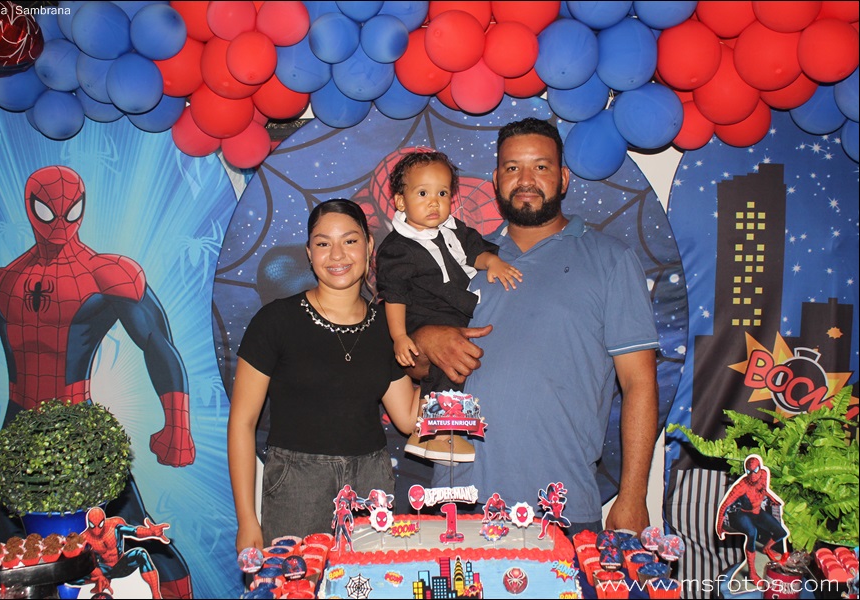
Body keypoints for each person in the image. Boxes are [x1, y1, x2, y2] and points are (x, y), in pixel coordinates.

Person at [410, 118, 660, 535]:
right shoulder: (458, 262)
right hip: (459, 504)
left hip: (560, 506)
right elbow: (416, 369)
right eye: (512, 168)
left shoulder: (610, 260)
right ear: (495, 180)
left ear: (563, 178)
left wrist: (633, 496)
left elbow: (639, 384)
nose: (525, 180)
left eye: (540, 167)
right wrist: (424, 338)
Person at [0, 165, 194, 598]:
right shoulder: (2, 282)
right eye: (47, 212)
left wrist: (177, 424)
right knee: (12, 547)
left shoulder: (106, 273)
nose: (59, 223)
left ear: (82, 207)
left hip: (80, 432)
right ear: (30, 208)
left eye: (69, 211)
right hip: (20, 432)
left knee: (136, 537)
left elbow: (156, 342)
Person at [228, 199, 420, 552]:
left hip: (371, 485)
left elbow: (408, 418)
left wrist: (440, 352)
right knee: (299, 581)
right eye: (323, 243)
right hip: (296, 487)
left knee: (372, 582)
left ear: (369, 246)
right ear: (309, 252)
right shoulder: (276, 321)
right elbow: (242, 422)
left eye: (350, 241)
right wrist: (247, 519)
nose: (337, 255)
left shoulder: (387, 329)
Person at [376, 150, 521, 463]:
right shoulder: (398, 248)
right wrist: (400, 336)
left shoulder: (455, 230)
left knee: (454, 369)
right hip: (421, 317)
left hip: (455, 314)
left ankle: (431, 435)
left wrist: (491, 262)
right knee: (448, 369)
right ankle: (438, 436)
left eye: (442, 194)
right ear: (400, 201)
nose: (434, 202)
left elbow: (475, 252)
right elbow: (394, 295)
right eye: (423, 193)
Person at [716, 455, 789, 584]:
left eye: (755, 470)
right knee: (752, 533)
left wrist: (773, 499)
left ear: (760, 468)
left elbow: (764, 490)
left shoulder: (764, 474)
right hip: (742, 513)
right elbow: (724, 505)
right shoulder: (741, 486)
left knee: (781, 532)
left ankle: (766, 548)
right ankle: (752, 572)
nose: (753, 475)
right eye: (749, 472)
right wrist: (719, 527)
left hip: (757, 512)